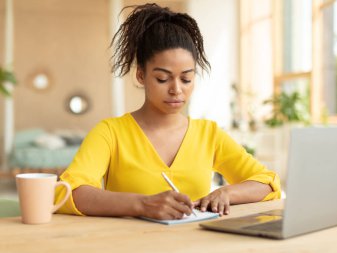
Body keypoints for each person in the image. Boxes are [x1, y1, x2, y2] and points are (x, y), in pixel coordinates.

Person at [55, 3, 281, 220]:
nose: (176, 89)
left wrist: (227, 193)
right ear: (141, 75)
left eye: (186, 78)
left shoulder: (208, 134)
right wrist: (142, 205)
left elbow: (267, 183)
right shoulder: (110, 133)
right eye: (162, 78)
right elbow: (71, 192)